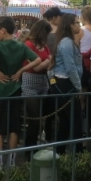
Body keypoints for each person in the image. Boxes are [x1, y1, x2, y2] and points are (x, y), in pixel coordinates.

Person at [0, 16, 41, 171]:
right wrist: (21, 70)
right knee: (14, 126)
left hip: (0, 90)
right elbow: (37, 60)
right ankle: (11, 162)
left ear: (3, 30)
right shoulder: (21, 46)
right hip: (16, 89)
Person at [49, 13, 84, 153]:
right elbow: (70, 68)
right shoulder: (67, 43)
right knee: (75, 122)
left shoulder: (64, 41)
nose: (79, 25)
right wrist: (78, 87)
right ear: (70, 25)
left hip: (61, 83)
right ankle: (78, 154)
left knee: (65, 121)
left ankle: (60, 152)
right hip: (66, 84)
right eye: (77, 23)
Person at [21, 19, 52, 149]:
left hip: (43, 82)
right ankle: (30, 149)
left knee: (43, 117)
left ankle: (38, 146)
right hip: (30, 81)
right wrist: (47, 62)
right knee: (34, 119)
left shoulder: (44, 46)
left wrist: (46, 63)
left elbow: (50, 61)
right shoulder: (28, 45)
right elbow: (36, 67)